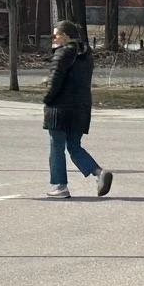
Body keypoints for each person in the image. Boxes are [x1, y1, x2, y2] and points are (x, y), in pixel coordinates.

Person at [41, 22, 113, 199]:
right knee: (74, 146)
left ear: (65, 36)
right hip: (81, 108)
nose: (54, 39)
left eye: (56, 35)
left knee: (56, 147)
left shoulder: (63, 53)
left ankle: (60, 186)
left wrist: (47, 99)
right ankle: (98, 173)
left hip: (60, 108)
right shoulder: (86, 55)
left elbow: (56, 81)